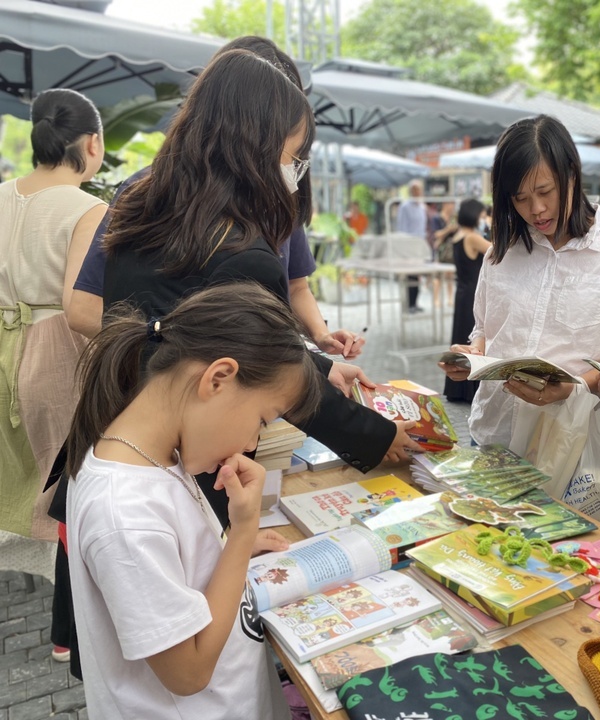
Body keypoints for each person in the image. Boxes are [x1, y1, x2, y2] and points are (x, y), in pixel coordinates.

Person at [65, 282, 322, 719]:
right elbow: (189, 673)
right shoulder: (125, 513)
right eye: (261, 421)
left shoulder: (158, 454)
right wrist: (241, 533)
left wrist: (221, 551)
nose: (251, 441)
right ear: (217, 378)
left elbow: (174, 568)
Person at [66, 36, 363, 361]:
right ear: (247, 126)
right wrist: (168, 356)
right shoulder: (145, 195)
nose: (292, 163)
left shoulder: (279, 198)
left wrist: (319, 338)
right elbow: (87, 308)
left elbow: (296, 287)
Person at [438, 114, 600, 446]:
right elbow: (487, 331)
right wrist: (473, 357)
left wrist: (577, 385)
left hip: (573, 446)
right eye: (520, 198)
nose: (537, 209)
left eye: (545, 191)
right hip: (494, 435)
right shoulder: (501, 253)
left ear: (571, 173)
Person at [0, 89, 106, 609]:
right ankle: (73, 621)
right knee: (73, 488)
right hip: (57, 353)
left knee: (25, 478)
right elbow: (79, 308)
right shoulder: (88, 208)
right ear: (92, 143)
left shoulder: (0, 195)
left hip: (3, 346)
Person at [443, 198, 491, 403]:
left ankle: (458, 389)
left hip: (462, 291)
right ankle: (470, 389)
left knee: (461, 335)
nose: (484, 220)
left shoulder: (457, 235)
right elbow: (498, 251)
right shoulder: (472, 237)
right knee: (471, 338)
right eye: (482, 216)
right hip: (473, 292)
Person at [396, 180, 428, 313]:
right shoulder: (405, 207)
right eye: (415, 190)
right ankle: (409, 304)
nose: (417, 192)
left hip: (419, 245)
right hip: (409, 246)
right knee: (410, 276)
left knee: (417, 276)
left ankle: (415, 303)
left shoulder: (421, 207)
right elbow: (402, 227)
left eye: (419, 190)